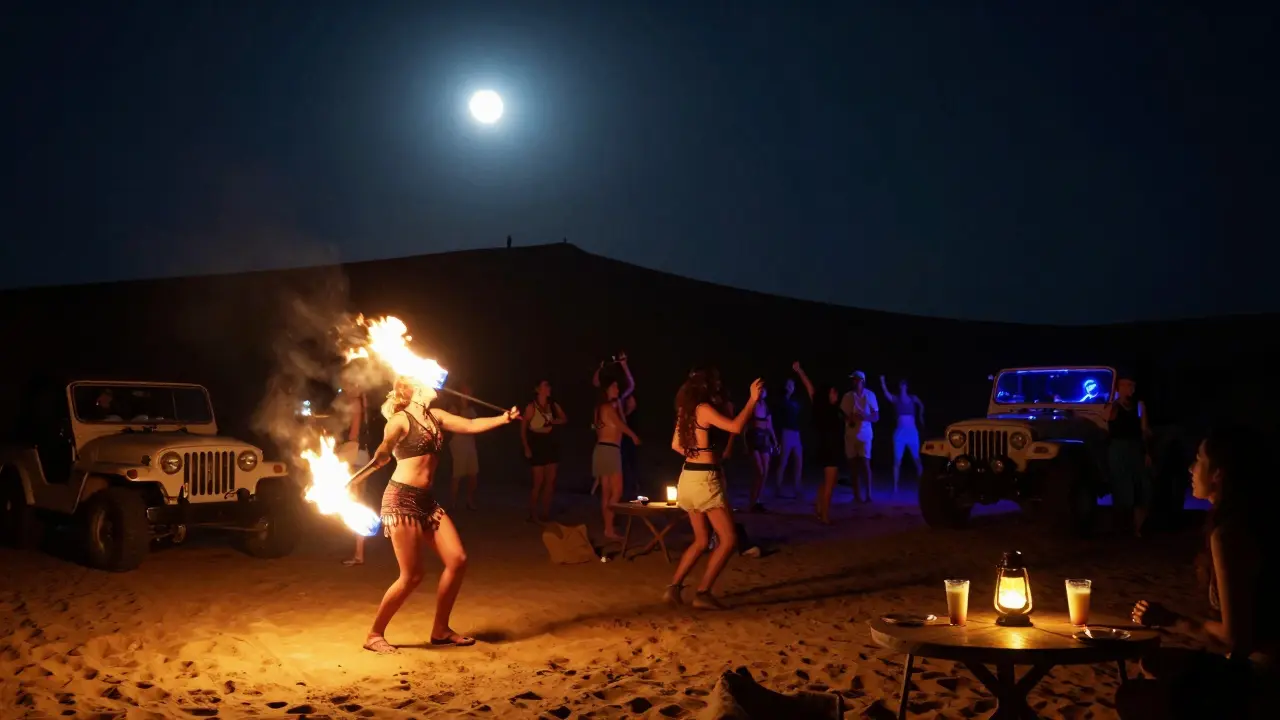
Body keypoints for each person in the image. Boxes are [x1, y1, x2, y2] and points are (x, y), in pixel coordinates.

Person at [346, 377, 520, 653]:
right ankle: (374, 633)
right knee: (412, 576)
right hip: (401, 499)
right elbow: (384, 449)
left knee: (457, 560)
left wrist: (503, 419)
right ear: (410, 389)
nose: (433, 383)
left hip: (426, 501)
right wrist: (369, 465)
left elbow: (471, 425)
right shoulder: (400, 420)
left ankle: (440, 630)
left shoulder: (436, 416)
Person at [1119, 425, 1277, 719]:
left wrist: (1173, 621)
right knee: (1156, 665)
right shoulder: (1256, 520)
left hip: (1264, 674)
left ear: (1219, 473)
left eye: (1199, 459)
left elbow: (1236, 639)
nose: (1191, 468)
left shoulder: (1230, 534)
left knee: (1135, 697)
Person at [664, 369, 763, 609]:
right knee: (728, 539)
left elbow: (675, 445)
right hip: (705, 481)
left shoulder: (685, 411)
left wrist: (696, 453)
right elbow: (736, 427)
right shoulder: (703, 409)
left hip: (687, 477)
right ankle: (703, 592)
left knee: (701, 540)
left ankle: (673, 588)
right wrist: (752, 400)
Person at [794, 362, 845, 524]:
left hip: (825, 447)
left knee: (826, 482)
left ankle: (819, 509)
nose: (836, 394)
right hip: (831, 449)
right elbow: (810, 387)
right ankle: (824, 516)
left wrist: (800, 371)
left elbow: (810, 389)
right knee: (830, 484)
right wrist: (800, 371)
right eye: (834, 392)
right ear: (828, 394)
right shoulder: (826, 409)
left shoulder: (826, 408)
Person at [593, 379, 640, 541]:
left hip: (602, 449)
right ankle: (609, 527)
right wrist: (633, 436)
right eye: (614, 386)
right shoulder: (606, 407)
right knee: (617, 491)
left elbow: (604, 426)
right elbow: (619, 424)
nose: (617, 389)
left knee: (607, 491)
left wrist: (628, 410)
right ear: (606, 390)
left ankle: (608, 528)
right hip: (610, 450)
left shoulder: (600, 409)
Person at [1109, 375, 1152, 536]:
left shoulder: (1139, 406)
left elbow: (1144, 430)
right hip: (1118, 449)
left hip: (1134, 448)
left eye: (1132, 386)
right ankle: (1122, 526)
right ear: (1118, 388)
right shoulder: (1112, 406)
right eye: (1126, 386)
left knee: (1141, 487)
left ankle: (1137, 528)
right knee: (1121, 487)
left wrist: (1147, 452)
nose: (1130, 389)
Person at [521, 380, 567, 522]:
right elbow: (523, 428)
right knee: (538, 482)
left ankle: (545, 513)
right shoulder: (531, 407)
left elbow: (564, 419)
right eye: (545, 386)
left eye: (549, 385)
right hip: (537, 445)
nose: (548, 388)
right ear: (538, 389)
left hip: (551, 444)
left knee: (550, 482)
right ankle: (533, 513)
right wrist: (526, 447)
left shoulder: (553, 405)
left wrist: (554, 421)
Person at [339, 381, 373, 565]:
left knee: (356, 502)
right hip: (362, 456)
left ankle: (359, 554)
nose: (345, 388)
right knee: (357, 500)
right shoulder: (364, 403)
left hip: (356, 457)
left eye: (349, 384)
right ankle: (359, 551)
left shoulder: (356, 404)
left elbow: (354, 435)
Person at [591, 354, 636, 495]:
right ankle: (599, 481)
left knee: (618, 477)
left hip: (619, 439)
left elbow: (631, 384)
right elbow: (595, 382)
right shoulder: (603, 405)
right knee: (612, 485)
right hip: (610, 441)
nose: (616, 389)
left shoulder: (618, 399)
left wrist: (624, 365)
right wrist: (600, 368)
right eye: (614, 386)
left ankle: (605, 483)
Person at [879, 375, 924, 494]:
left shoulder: (913, 398)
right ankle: (895, 487)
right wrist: (883, 382)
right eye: (901, 385)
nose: (903, 387)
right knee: (897, 461)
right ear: (900, 387)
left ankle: (922, 485)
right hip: (900, 433)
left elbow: (921, 405)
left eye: (904, 385)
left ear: (907, 387)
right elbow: (887, 394)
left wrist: (920, 415)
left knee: (917, 459)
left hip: (912, 432)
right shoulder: (896, 398)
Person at [840, 370, 879, 503]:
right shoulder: (847, 396)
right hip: (850, 435)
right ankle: (857, 496)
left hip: (865, 435)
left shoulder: (870, 395)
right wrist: (850, 417)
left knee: (865, 464)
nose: (854, 382)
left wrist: (865, 417)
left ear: (862, 381)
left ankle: (868, 495)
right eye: (853, 379)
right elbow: (842, 414)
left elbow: (876, 416)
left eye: (856, 379)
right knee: (853, 467)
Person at [744, 385, 778, 512]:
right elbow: (745, 426)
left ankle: (758, 500)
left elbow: (770, 426)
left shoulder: (766, 407)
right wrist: (745, 444)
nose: (763, 392)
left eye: (764, 389)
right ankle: (752, 501)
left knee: (765, 471)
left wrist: (775, 442)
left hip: (764, 439)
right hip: (754, 438)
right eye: (761, 390)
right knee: (759, 471)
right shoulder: (752, 405)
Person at [448, 382, 481, 511]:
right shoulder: (454, 408)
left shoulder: (471, 408)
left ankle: (469, 500)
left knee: (473, 474)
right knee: (457, 474)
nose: (468, 393)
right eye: (466, 390)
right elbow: (453, 425)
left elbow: (475, 424)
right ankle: (452, 503)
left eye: (470, 391)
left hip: (470, 444)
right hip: (458, 444)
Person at [775, 376, 804, 499]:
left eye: (792, 385)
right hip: (786, 432)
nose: (790, 387)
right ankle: (778, 488)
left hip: (796, 433)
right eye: (788, 384)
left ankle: (797, 488)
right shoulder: (782, 400)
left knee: (798, 461)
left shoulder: (795, 400)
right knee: (783, 461)